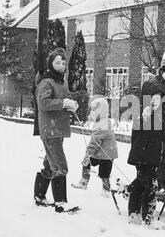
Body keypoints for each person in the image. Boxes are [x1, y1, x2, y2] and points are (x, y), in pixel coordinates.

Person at [33, 48, 80, 213]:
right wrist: (63, 103)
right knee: (60, 165)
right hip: (50, 128)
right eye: (57, 62)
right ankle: (60, 203)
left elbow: (63, 100)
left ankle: (39, 196)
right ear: (51, 64)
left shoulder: (62, 81)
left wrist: (71, 104)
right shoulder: (46, 82)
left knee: (50, 164)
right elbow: (44, 104)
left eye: (63, 62)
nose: (61, 66)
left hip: (58, 128)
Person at [127, 82, 165, 226]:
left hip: (152, 158)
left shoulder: (158, 115)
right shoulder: (142, 114)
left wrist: (164, 153)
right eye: (153, 98)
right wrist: (144, 118)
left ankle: (134, 213)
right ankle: (147, 217)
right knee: (150, 187)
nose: (156, 101)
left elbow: (161, 137)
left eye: (158, 98)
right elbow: (138, 135)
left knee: (141, 185)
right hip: (143, 157)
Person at [71, 97, 118, 197]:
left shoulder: (102, 124)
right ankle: (102, 188)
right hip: (106, 152)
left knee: (90, 164)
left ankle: (88, 184)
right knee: (103, 172)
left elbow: (95, 142)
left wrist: (87, 154)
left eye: (94, 110)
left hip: (105, 154)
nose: (92, 112)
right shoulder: (104, 121)